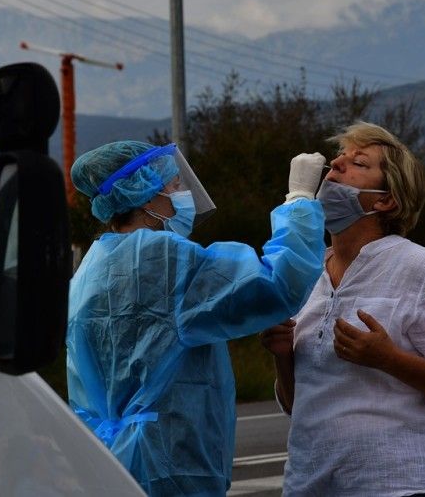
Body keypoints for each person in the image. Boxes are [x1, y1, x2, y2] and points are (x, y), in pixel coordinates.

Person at [66, 140, 326, 496]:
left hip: (111, 462)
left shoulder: (91, 269)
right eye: (174, 186)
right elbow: (277, 284)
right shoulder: (162, 259)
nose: (183, 194)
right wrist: (299, 200)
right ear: (143, 196)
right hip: (171, 461)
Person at [260, 121, 425, 497]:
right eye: (340, 156)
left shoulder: (419, 267)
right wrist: (283, 356)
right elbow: (296, 405)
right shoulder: (307, 273)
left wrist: (388, 359)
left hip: (404, 483)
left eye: (359, 163)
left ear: (385, 200)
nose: (336, 164)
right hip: (313, 483)